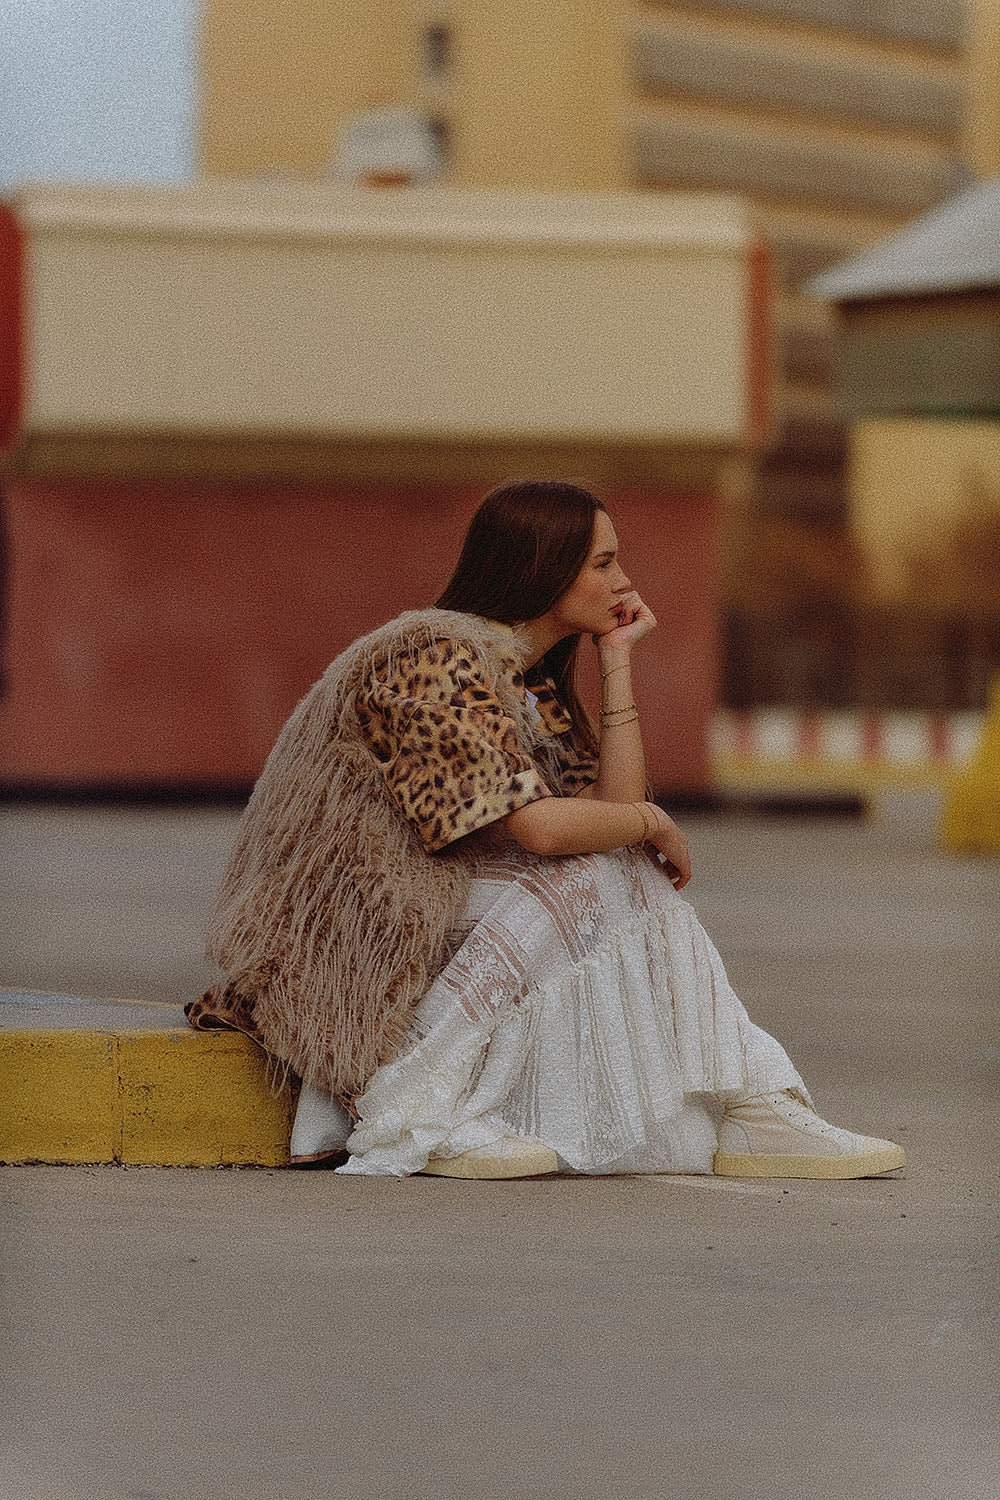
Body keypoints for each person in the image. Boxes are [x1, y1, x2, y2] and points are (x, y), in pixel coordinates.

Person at [188, 480, 905, 1181]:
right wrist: (649, 819)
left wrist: (616, 664)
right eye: (603, 564)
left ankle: (756, 1103)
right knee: (590, 869)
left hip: (436, 901)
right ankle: (414, 1104)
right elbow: (546, 831)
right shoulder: (428, 658)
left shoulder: (523, 676)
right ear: (543, 569)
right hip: (352, 928)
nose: (624, 581)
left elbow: (605, 814)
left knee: (620, 866)